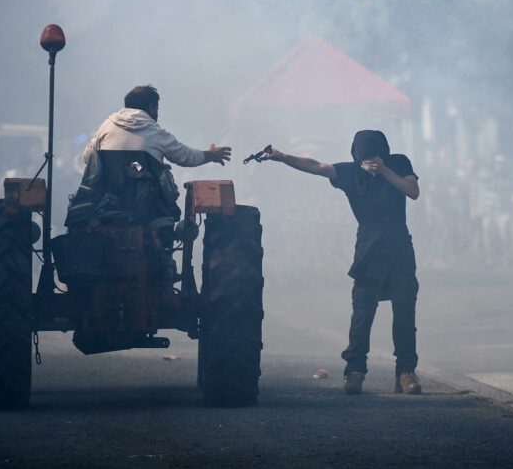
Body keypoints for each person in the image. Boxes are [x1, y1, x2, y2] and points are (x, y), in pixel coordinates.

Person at [260, 130, 422, 395]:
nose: (371, 162)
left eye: (376, 157)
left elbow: (412, 191)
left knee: (404, 312)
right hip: (369, 251)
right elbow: (316, 166)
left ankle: (405, 372)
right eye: (366, 158)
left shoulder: (399, 163)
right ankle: (355, 371)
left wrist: (384, 171)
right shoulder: (350, 172)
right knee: (362, 314)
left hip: (400, 248)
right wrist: (281, 157)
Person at [81, 85, 231, 168]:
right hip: (143, 205)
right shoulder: (155, 133)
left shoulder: (107, 125)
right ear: (152, 107)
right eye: (157, 108)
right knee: (165, 174)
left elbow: (87, 156)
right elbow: (186, 157)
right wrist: (212, 155)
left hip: (105, 199)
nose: (157, 113)